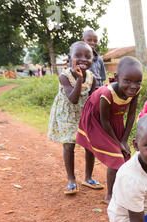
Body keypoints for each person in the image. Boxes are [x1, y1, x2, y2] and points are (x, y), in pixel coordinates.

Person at [76, 56, 142, 203]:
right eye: (127, 81)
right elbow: (104, 121)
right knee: (115, 157)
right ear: (117, 77)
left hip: (115, 120)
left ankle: (122, 190)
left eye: (138, 82)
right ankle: (110, 196)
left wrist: (124, 140)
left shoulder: (135, 91)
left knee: (124, 155)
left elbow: (131, 116)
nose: (133, 86)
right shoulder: (107, 94)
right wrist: (117, 143)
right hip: (96, 119)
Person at [47, 41, 100, 195]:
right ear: (69, 58)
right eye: (78, 55)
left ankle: (88, 177)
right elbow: (73, 99)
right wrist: (78, 79)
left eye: (87, 56)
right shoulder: (64, 76)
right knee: (69, 145)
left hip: (84, 114)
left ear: (92, 60)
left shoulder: (92, 78)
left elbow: (91, 100)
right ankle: (71, 179)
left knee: (89, 145)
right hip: (67, 114)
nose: (83, 59)